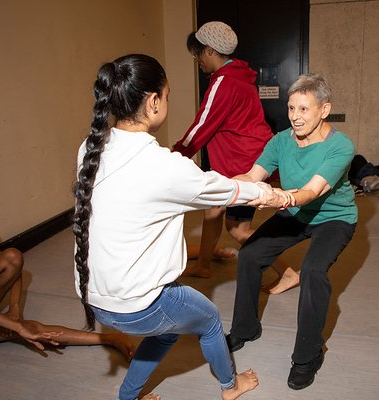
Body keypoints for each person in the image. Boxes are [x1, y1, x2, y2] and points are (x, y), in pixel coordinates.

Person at [72, 54, 291, 400]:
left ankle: (129, 397)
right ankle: (230, 387)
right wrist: (270, 193)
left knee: (167, 332)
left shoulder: (91, 147)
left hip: (95, 297)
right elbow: (226, 189)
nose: (167, 103)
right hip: (137, 304)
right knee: (209, 319)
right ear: (153, 101)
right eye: (168, 95)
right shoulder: (162, 166)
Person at [225, 73, 358, 391]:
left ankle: (308, 356)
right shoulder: (280, 141)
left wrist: (280, 197)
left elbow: (313, 191)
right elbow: (253, 174)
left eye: (304, 109)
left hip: (333, 218)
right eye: (291, 108)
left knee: (313, 271)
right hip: (297, 214)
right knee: (250, 255)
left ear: (324, 110)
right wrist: (222, 186)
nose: (295, 117)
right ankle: (245, 329)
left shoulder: (340, 146)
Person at [0, 194, 134, 359]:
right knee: (33, 329)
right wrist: (17, 326)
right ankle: (108, 338)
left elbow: (16, 269)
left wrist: (14, 308)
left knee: (12, 256)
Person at [172, 21, 295, 283]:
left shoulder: (224, 83)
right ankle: (204, 264)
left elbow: (202, 127)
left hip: (242, 166)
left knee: (238, 229)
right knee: (213, 210)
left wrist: (173, 156)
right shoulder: (240, 78)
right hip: (237, 162)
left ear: (209, 51)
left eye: (197, 54)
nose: (197, 60)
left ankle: (287, 272)